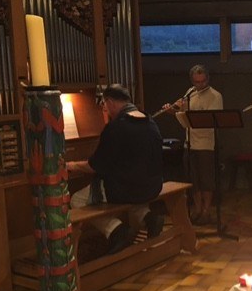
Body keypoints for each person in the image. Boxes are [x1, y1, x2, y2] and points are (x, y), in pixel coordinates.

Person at [67, 84, 164, 254]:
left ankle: (116, 230)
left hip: (128, 189)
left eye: (104, 105)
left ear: (110, 102)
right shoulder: (150, 122)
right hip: (152, 185)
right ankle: (149, 218)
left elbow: (95, 166)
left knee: (77, 200)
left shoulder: (116, 127)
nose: (105, 110)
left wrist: (72, 165)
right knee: (132, 197)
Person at [162, 64, 223, 225]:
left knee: (206, 180)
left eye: (203, 81)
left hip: (206, 144)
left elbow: (209, 119)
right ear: (192, 81)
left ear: (208, 79)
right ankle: (197, 209)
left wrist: (187, 113)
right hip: (190, 142)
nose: (200, 85)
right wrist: (173, 110)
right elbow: (183, 115)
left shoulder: (215, 96)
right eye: (197, 82)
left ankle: (206, 211)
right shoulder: (190, 92)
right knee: (193, 179)